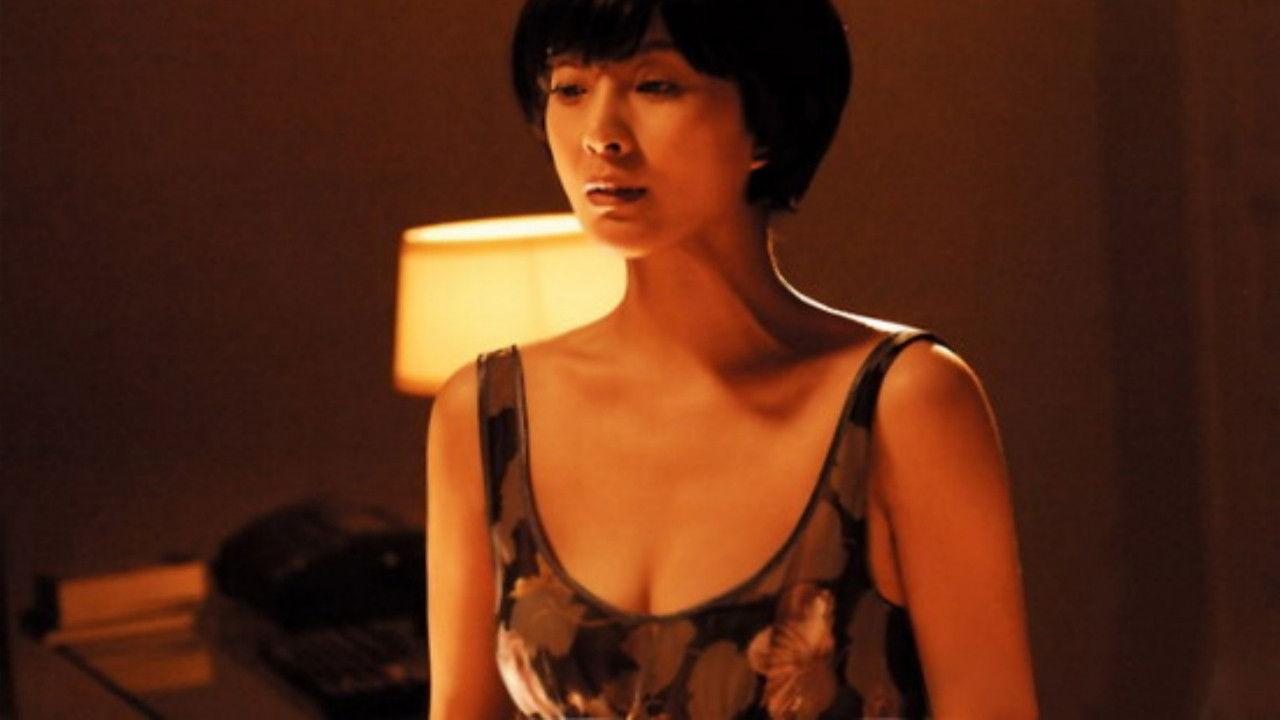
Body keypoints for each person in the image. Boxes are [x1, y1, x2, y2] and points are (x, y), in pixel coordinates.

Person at [426, 0, 1038, 717]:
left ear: (768, 122)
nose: (600, 134)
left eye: (656, 85)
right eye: (570, 88)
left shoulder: (905, 401)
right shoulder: (486, 413)